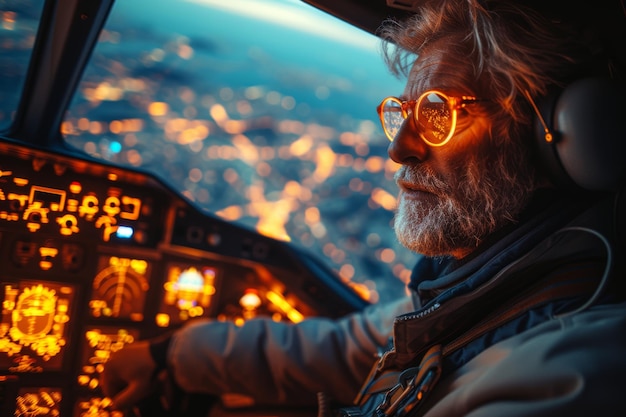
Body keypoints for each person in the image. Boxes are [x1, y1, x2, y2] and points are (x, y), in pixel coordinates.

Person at [102, 0, 626, 415]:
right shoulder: (476, 287)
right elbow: (350, 351)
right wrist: (175, 356)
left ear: (555, 139)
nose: (400, 148)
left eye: (437, 112)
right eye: (401, 113)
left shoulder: (565, 373)